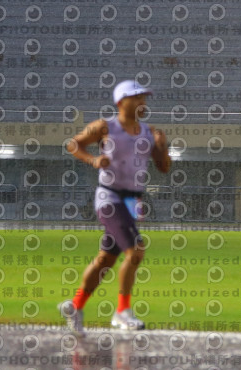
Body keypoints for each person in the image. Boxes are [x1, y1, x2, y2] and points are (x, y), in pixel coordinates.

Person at [59, 80, 171, 333]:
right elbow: (73, 144)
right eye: (137, 98)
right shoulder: (105, 126)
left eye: (144, 98)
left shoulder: (149, 132)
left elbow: (164, 167)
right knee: (136, 252)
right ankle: (122, 312)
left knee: (105, 260)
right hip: (109, 197)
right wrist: (93, 160)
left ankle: (74, 306)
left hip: (132, 201)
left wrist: (162, 146)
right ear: (121, 102)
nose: (143, 102)